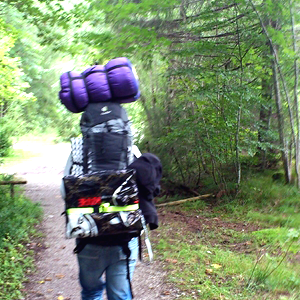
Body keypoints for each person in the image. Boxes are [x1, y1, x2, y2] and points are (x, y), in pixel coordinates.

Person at [61, 146, 162, 300]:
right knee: (120, 295)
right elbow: (145, 186)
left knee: (91, 292)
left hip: (88, 236)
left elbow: (65, 191)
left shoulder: (78, 148)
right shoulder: (130, 148)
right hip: (125, 237)